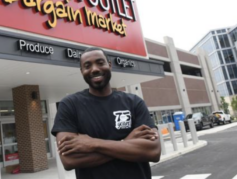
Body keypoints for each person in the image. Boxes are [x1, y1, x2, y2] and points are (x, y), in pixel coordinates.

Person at [51, 47, 161, 179]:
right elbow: (69, 160)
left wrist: (93, 144)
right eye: (87, 66)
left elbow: (153, 151)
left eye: (100, 62)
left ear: (109, 65)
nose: (95, 69)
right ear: (82, 72)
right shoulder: (70, 105)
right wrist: (126, 142)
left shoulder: (134, 102)